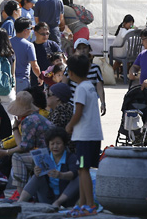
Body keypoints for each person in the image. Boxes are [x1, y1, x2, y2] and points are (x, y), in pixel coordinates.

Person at [0, 90, 54, 202]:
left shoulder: (29, 121)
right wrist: (15, 128)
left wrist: (5, 152)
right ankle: (22, 194)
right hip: (44, 153)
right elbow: (22, 144)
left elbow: (23, 147)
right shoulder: (32, 117)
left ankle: (22, 196)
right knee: (15, 155)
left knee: (16, 156)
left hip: (48, 157)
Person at [64, 54, 104, 216]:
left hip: (84, 137)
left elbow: (78, 112)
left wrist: (69, 126)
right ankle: (82, 203)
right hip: (92, 135)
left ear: (71, 73)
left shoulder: (80, 89)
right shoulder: (90, 86)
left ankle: (89, 205)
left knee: (83, 169)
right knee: (83, 169)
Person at [18, 127, 80, 208]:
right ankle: (20, 202)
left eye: (58, 143)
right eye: (52, 143)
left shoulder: (71, 158)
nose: (55, 146)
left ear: (64, 144)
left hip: (65, 199)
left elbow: (74, 173)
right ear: (48, 145)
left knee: (79, 178)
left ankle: (58, 202)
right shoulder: (43, 157)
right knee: (36, 177)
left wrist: (61, 175)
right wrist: (36, 172)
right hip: (47, 197)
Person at [68, 39, 106, 116]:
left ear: (89, 49)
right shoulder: (70, 67)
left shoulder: (95, 68)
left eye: (84, 48)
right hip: (71, 103)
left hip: (89, 104)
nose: (82, 51)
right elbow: (64, 84)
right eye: (79, 48)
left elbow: (99, 87)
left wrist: (103, 102)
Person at [11, 17, 41, 92]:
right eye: (31, 28)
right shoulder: (29, 45)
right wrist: (40, 77)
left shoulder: (7, 42)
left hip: (8, 80)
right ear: (25, 30)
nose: (31, 31)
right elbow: (34, 66)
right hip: (22, 80)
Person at [31, 22, 62, 87]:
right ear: (35, 33)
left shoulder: (52, 45)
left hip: (51, 80)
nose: (45, 36)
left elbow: (62, 59)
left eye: (47, 33)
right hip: (36, 80)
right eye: (42, 34)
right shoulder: (31, 47)